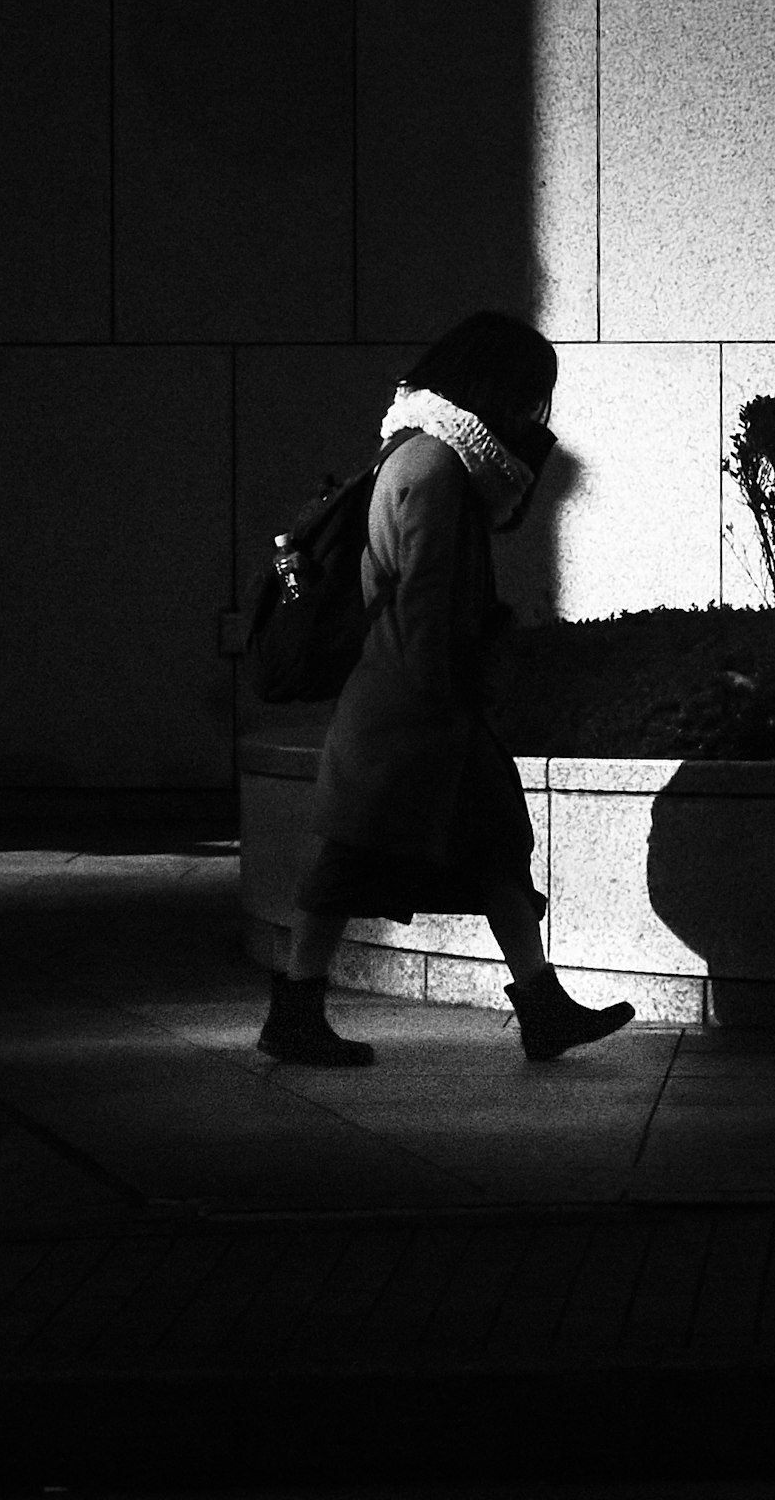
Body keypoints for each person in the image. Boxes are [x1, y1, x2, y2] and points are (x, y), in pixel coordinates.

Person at [258, 311, 637, 1070]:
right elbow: (430, 603)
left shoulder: (433, 459)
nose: (536, 413)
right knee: (346, 864)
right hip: (412, 707)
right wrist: (451, 701)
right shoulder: (431, 469)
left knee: (493, 853)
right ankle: (295, 1013)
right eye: (531, 397)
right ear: (494, 387)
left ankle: (542, 1007)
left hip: (418, 705)